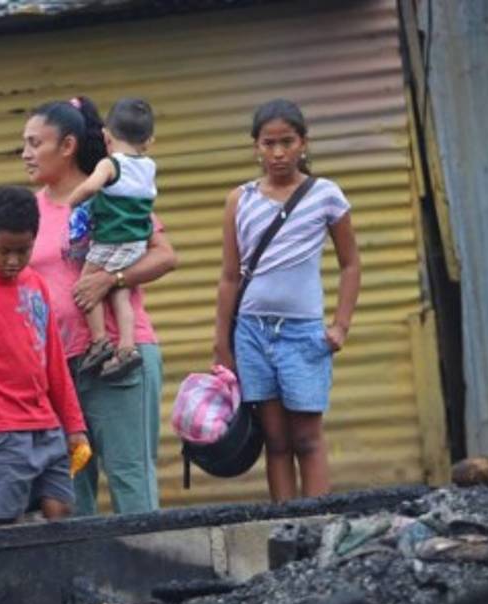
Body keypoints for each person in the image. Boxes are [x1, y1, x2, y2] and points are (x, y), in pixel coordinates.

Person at [22, 96, 178, 515]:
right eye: (25, 144)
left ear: (67, 145)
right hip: (59, 366)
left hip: (117, 360)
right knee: (72, 486)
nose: (26, 154)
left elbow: (165, 255)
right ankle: (83, 580)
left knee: (130, 479)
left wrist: (113, 279)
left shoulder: (113, 189)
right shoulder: (30, 211)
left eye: (36, 143)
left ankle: (148, 575)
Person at [212, 98, 362, 501]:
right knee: (275, 442)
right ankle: (285, 531)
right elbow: (230, 276)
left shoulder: (326, 195)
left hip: (303, 335)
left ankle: (317, 526)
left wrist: (341, 325)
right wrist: (222, 343)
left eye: (287, 142)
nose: (278, 153)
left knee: (308, 438)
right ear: (256, 147)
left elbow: (351, 265)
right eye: (268, 143)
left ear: (303, 144)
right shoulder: (239, 200)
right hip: (252, 335)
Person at [0, 186, 88, 524]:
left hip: (45, 423)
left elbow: (54, 358)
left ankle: (61, 578)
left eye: (23, 251)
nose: (12, 261)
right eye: (3, 250)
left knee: (61, 509)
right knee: (11, 521)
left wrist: (73, 424)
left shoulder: (35, 283)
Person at [66, 97, 158, 381]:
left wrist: (75, 199)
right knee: (120, 294)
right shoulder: (148, 166)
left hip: (110, 240)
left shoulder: (110, 164)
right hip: (136, 244)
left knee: (86, 287)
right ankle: (127, 348)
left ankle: (99, 341)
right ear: (149, 141)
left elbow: (92, 186)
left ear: (106, 136)